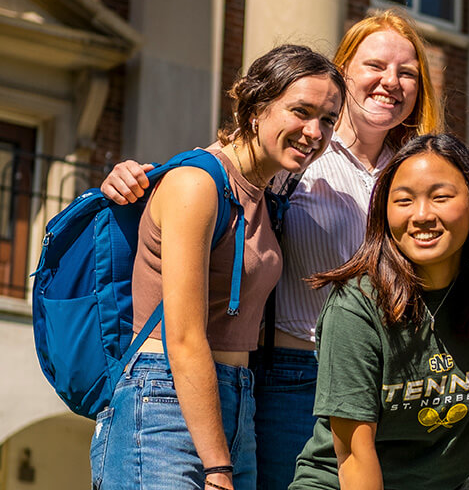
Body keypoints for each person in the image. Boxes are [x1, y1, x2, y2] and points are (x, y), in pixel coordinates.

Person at [100, 9, 444, 490]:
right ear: (342, 74)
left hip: (374, 379)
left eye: (407, 72)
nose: (391, 81)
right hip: (278, 375)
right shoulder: (291, 161)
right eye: (375, 66)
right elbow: (213, 175)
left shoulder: (416, 170)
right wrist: (132, 179)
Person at [90, 44, 346, 490]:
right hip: (164, 400)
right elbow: (185, 337)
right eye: (300, 111)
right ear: (255, 106)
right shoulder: (197, 184)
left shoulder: (263, 195)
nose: (314, 131)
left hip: (235, 403)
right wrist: (217, 466)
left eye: (327, 119)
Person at [290, 134, 469, 490]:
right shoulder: (357, 305)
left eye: (441, 197)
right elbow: (354, 455)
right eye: (404, 201)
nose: (422, 215)